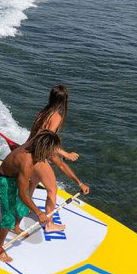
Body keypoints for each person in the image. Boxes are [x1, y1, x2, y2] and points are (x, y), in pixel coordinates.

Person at [0, 130, 64, 263]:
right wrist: (39, 213)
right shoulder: (27, 162)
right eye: (52, 151)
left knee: (22, 208)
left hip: (16, 176)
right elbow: (22, 194)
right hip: (4, 180)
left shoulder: (36, 145)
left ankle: (16, 227)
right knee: (8, 217)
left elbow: (44, 133)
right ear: (44, 149)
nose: (53, 155)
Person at [27, 85, 90, 214]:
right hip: (38, 155)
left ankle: (24, 208)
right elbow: (46, 139)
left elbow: (37, 135)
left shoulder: (43, 112)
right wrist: (65, 153)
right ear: (64, 101)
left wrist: (79, 183)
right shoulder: (56, 117)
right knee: (52, 190)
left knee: (34, 181)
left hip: (29, 150)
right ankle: (49, 224)